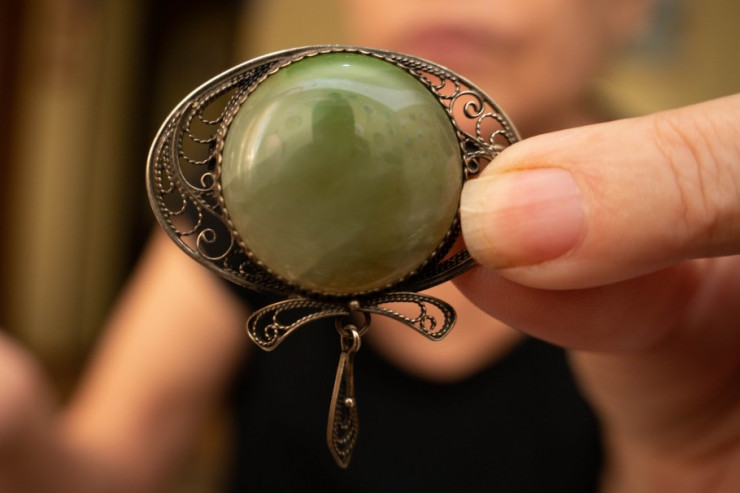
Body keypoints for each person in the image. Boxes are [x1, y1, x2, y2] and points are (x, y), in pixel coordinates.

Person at [1, 0, 738, 491]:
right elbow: (102, 471)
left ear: (633, 7)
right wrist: (21, 426)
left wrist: (687, 460)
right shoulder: (248, 209)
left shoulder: (704, 271)